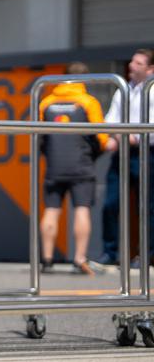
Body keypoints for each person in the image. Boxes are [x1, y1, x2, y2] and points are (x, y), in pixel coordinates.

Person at [38, 63, 107, 275]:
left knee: (51, 210)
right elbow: (101, 137)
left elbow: (38, 136)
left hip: (54, 166)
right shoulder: (88, 102)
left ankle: (47, 260)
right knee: (82, 209)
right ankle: (79, 259)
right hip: (81, 165)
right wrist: (96, 152)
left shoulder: (46, 102)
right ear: (86, 80)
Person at [100, 49, 154, 267]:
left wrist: (131, 137)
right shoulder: (124, 89)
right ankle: (109, 253)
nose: (132, 65)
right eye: (132, 61)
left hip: (146, 153)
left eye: (138, 63)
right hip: (122, 153)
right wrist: (116, 137)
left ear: (150, 69)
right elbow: (110, 120)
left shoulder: (152, 91)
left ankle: (146, 254)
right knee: (111, 203)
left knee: (147, 206)